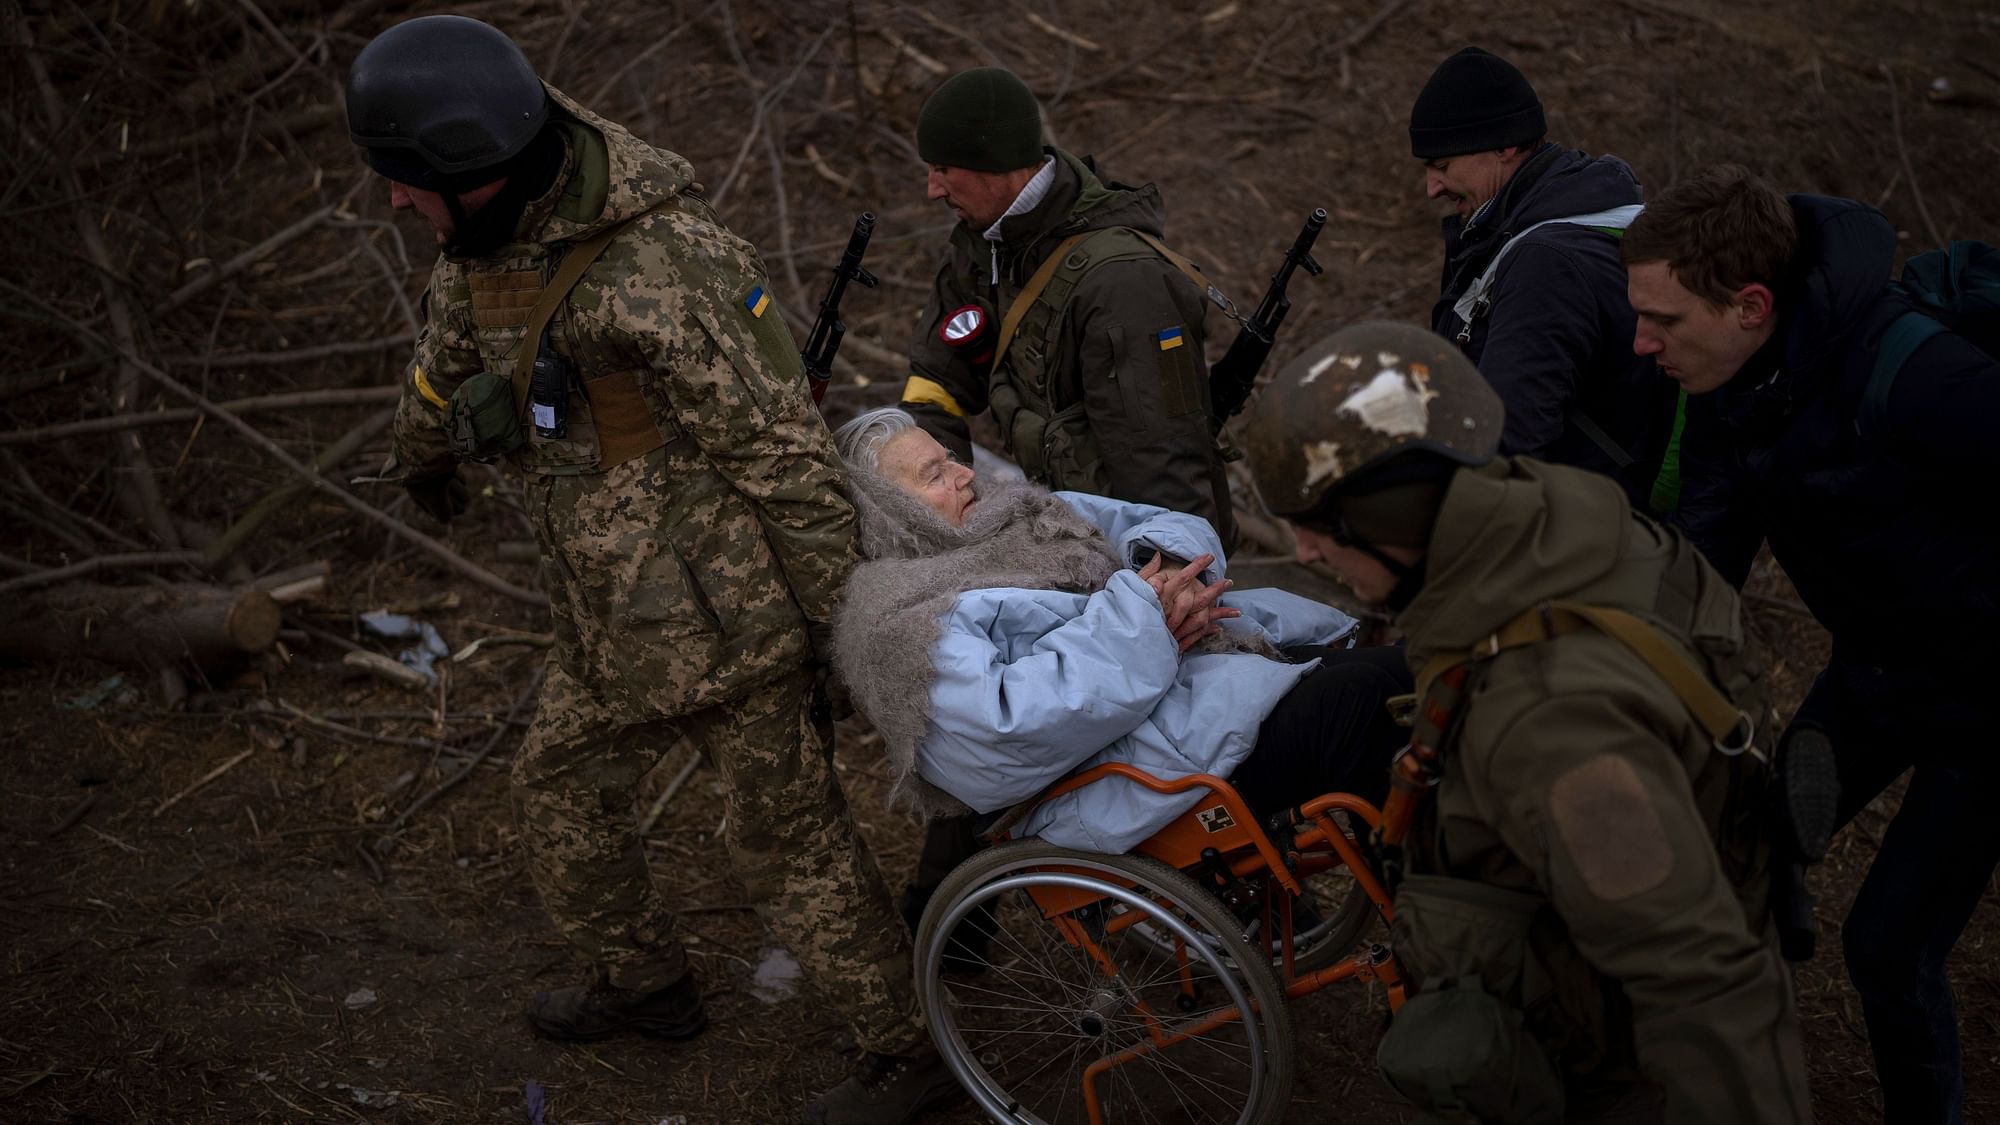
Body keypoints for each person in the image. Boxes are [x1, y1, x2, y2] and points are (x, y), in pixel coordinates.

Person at [344, 17, 954, 1123]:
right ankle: (645, 980)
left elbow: (780, 455)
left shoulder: (663, 262)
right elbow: (441, 371)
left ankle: (912, 1051)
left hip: (726, 621)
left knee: (781, 836)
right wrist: (420, 458)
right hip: (603, 618)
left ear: (468, 171)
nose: (390, 201)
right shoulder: (482, 247)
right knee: (560, 787)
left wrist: (843, 625)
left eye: (401, 181)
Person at [1241, 321, 1813, 1123]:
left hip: (1604, 1066)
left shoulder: (1554, 726)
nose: (1303, 552)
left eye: (1320, 524)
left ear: (1396, 508)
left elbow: (1703, 980)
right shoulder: (1562, 515)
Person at [1622, 163, 2000, 1124]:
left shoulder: (1925, 379)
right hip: (1877, 672)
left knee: (1887, 947)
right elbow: (1703, 563)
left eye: (1663, 319)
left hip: (1986, 711)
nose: (1641, 341)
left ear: (1750, 304)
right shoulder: (1724, 382)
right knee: (1757, 837)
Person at [829, 407, 1410, 855]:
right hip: (1122, 778)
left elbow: (1158, 523)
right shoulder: (900, 619)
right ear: (890, 512)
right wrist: (1147, 614)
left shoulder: (1016, 514)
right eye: (935, 475)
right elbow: (1004, 731)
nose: (963, 474)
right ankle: (1432, 924)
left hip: (1193, 695)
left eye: (952, 458)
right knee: (1367, 704)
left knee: (1405, 673)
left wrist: (1172, 568)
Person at [897, 65, 1236, 546]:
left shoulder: (1123, 283)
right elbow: (936, 383)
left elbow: (1163, 463)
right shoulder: (980, 249)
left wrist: (1173, 574)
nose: (932, 188)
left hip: (1132, 547)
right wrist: (931, 506)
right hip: (1058, 532)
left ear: (992, 162)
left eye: (942, 169)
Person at [1411, 46, 1682, 513]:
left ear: (1504, 146)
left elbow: (1504, 442)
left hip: (1575, 544)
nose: (1432, 187)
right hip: (1613, 529)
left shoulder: (1547, 263)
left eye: (1442, 166)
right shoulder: (1591, 218)